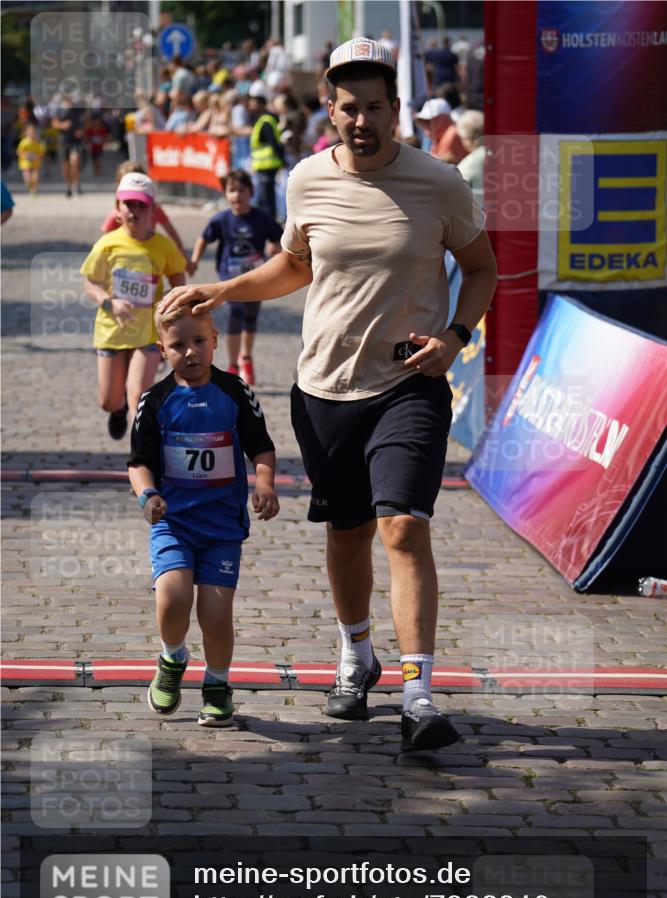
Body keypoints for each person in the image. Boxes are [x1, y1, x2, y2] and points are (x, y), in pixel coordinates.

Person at [158, 37, 497, 753]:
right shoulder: (306, 179)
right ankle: (356, 653)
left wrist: (456, 335)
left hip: (409, 383)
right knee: (347, 537)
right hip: (322, 388)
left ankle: (419, 694)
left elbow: (480, 267)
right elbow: (294, 264)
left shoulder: (439, 182)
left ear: (395, 109)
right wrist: (221, 289)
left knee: (402, 526)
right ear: (329, 110)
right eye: (349, 108)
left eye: (375, 106)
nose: (362, 119)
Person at [127, 303, 279, 727]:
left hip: (222, 528)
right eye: (178, 345)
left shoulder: (235, 393)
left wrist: (264, 482)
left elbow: (261, 448)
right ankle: (173, 658)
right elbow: (138, 462)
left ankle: (217, 684)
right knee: (173, 599)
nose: (190, 352)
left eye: (199, 341)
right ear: (162, 350)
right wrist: (148, 495)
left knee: (215, 616)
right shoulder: (155, 401)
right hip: (173, 523)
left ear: (215, 341)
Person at [81, 172, 187, 439]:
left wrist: (172, 308)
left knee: (138, 396)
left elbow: (178, 281)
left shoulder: (164, 246)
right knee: (108, 400)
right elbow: (90, 283)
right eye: (129, 204)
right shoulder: (107, 244)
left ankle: (141, 455)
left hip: (148, 331)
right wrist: (109, 302)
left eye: (141, 205)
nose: (135, 211)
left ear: (153, 209)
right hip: (112, 329)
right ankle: (117, 411)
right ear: (118, 208)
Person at [189, 169, 282, 384]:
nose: (236, 195)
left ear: (251, 192)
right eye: (231, 191)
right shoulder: (222, 219)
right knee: (234, 316)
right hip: (228, 280)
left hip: (254, 278)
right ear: (226, 194)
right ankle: (232, 365)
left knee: (250, 318)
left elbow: (280, 238)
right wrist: (194, 260)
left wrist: (275, 247)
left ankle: (246, 358)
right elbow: (204, 238)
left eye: (241, 190)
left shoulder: (261, 219)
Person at [100, 161, 194, 275]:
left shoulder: (154, 209)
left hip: (148, 256)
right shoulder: (117, 214)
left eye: (141, 205)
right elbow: (104, 241)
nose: (135, 209)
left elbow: (171, 232)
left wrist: (184, 258)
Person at [248, 81, 285, 218]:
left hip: (268, 165)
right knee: (264, 198)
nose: (251, 105)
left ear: (262, 105)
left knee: (266, 199)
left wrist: (281, 160)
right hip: (263, 165)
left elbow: (273, 143)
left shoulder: (266, 121)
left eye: (255, 103)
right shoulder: (261, 120)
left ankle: (270, 225)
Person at [416, 97, 467, 164]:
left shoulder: (452, 133)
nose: (426, 125)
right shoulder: (438, 137)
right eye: (424, 121)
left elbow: (437, 167)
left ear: (444, 118)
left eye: (429, 120)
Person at [52, 97, 85, 197]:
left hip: (76, 141)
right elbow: (54, 123)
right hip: (63, 141)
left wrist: (82, 131)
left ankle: (76, 183)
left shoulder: (78, 109)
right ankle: (68, 186)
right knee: (65, 166)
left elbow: (86, 121)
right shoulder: (59, 109)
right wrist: (63, 125)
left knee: (74, 161)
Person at [17, 122, 45, 196]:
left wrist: (37, 157)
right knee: (28, 178)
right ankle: (29, 186)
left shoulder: (38, 143)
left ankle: (34, 191)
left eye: (33, 132)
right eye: (30, 132)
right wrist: (26, 155)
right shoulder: (24, 142)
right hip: (25, 162)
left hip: (35, 163)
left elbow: (41, 153)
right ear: (26, 133)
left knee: (35, 177)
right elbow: (19, 152)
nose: (32, 134)